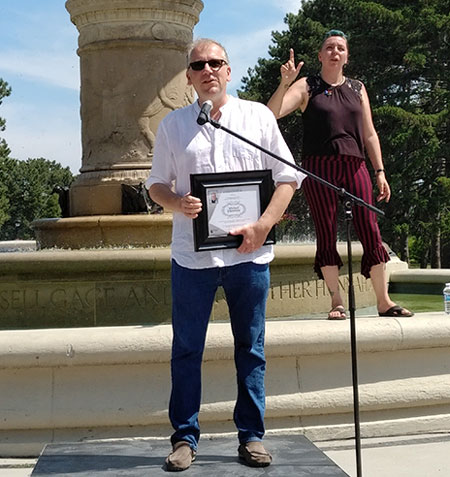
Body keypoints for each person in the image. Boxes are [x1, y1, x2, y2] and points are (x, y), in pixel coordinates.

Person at [146, 38, 303, 471]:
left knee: (250, 349)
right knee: (186, 350)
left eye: (216, 63)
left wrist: (263, 225)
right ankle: (184, 438)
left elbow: (287, 177)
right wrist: (177, 203)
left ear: (229, 71)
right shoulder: (173, 126)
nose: (208, 70)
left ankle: (251, 436)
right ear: (189, 77)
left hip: (249, 258)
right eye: (199, 65)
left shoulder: (256, 116)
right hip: (192, 259)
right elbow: (156, 184)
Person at [267, 29, 413, 320]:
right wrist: (284, 84)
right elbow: (272, 113)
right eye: (329, 47)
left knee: (370, 228)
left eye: (340, 48)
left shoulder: (358, 88)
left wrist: (380, 171)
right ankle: (336, 301)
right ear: (320, 55)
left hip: (355, 164)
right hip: (318, 167)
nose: (335, 52)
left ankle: (383, 301)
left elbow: (370, 134)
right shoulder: (307, 85)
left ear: (346, 56)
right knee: (326, 230)